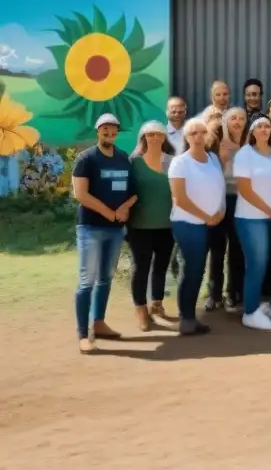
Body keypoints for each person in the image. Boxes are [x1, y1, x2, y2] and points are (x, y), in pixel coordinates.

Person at [72, 114, 137, 353]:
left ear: (117, 132)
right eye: (105, 129)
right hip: (90, 228)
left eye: (113, 129)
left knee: (105, 278)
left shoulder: (123, 158)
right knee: (86, 281)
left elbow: (133, 192)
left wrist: (125, 209)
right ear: (98, 131)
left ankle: (98, 323)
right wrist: (110, 213)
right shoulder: (86, 159)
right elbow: (80, 194)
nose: (109, 133)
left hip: (115, 230)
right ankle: (82, 335)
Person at [167, 117, 226, 336]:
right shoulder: (180, 162)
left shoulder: (212, 158)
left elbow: (219, 187)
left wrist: (220, 212)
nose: (199, 136)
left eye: (202, 132)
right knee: (191, 270)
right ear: (186, 137)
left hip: (212, 224)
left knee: (198, 270)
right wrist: (205, 216)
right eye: (193, 133)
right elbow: (179, 199)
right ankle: (187, 319)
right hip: (189, 224)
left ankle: (191, 316)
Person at [233, 114, 271, 331]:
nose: (264, 129)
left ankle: (256, 305)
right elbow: (245, 190)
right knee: (256, 263)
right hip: (250, 218)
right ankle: (249, 313)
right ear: (252, 131)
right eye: (260, 126)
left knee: (267, 263)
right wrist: (268, 209)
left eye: (267, 126)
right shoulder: (244, 154)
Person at [127, 121, 175, 331]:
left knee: (161, 267)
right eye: (150, 134)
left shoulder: (173, 162)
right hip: (140, 226)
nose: (154, 138)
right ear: (143, 138)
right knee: (141, 267)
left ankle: (157, 305)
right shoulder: (133, 162)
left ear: (164, 138)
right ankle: (140, 310)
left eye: (158, 134)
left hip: (167, 225)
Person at [206, 106, 245, 312]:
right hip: (218, 201)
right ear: (225, 122)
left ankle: (233, 292)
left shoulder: (249, 145)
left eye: (241, 118)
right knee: (217, 249)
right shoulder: (213, 144)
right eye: (233, 118)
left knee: (236, 249)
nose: (237, 122)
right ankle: (214, 294)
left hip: (240, 201)